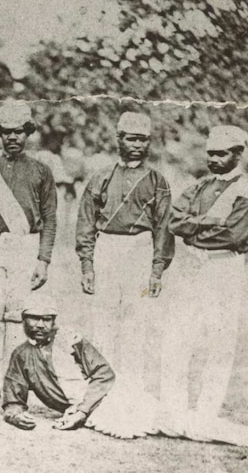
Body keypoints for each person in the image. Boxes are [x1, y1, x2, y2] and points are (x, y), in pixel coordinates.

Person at [2, 294, 248, 454]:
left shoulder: (71, 340)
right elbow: (13, 395)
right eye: (34, 318)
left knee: (176, 421)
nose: (39, 325)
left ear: (54, 322)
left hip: (109, 398)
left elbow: (104, 374)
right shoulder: (21, 355)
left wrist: (81, 411)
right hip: (88, 411)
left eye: (46, 319)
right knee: (173, 425)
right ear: (23, 320)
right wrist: (16, 414)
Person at [161, 125, 248, 418]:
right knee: (179, 334)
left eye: (222, 154)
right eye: (211, 154)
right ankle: (173, 408)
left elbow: (233, 235)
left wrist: (193, 227)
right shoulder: (200, 186)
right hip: (193, 267)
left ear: (238, 154)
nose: (215, 159)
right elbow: (174, 221)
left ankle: (207, 411)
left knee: (220, 340)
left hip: (225, 267)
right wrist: (207, 222)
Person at [0, 102, 57, 403]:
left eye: (19, 132)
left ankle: (15, 381)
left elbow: (50, 218)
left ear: (27, 133)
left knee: (19, 315)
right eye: (7, 132)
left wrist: (43, 260)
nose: (13, 138)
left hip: (25, 245)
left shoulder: (41, 171)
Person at [75, 112, 174, 378]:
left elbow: (164, 227)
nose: (138, 145)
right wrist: (87, 265)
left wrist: (157, 270)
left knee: (136, 320)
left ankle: (131, 391)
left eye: (143, 140)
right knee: (104, 318)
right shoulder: (101, 177)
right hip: (107, 247)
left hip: (140, 250)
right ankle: (101, 386)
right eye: (132, 139)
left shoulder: (157, 181)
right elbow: (86, 222)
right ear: (119, 139)